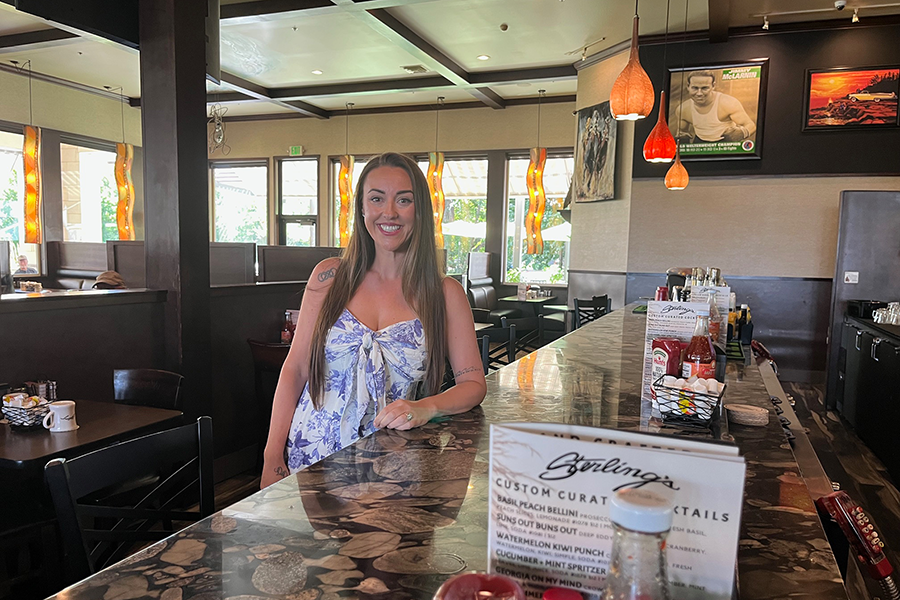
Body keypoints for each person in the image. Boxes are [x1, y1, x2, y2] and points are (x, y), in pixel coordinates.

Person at [261, 152, 487, 488]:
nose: (389, 212)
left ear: (420, 210)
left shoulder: (444, 294)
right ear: (362, 208)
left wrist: (425, 407)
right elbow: (295, 369)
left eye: (404, 200)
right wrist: (272, 458)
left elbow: (473, 385)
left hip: (391, 465)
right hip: (309, 461)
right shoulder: (329, 277)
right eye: (377, 198)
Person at [675, 70, 757, 143]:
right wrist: (682, 138)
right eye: (695, 88)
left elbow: (750, 125)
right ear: (688, 86)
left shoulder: (728, 103)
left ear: (713, 86)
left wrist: (742, 132)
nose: (699, 93)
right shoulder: (683, 109)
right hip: (700, 142)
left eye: (704, 88)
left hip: (725, 141)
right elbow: (682, 131)